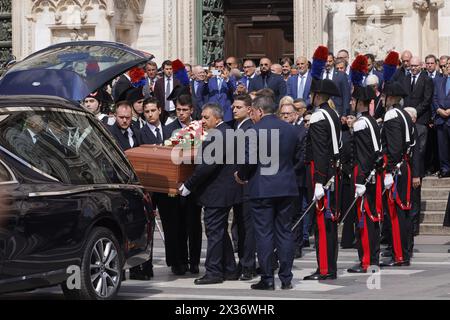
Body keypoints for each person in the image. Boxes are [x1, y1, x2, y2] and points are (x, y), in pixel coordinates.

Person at [235, 94, 299, 290]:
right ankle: (286, 278)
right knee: (285, 232)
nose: (252, 115)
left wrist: (241, 175)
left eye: (253, 112)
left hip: (262, 188)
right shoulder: (290, 129)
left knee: (264, 233)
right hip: (286, 186)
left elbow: (249, 160)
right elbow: (297, 156)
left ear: (260, 111)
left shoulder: (254, 131)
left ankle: (268, 278)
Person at [179, 103, 241, 285]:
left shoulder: (218, 135)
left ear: (218, 118)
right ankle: (229, 269)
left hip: (216, 192)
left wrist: (188, 185)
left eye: (206, 117)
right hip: (224, 191)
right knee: (220, 230)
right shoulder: (227, 132)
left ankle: (213, 272)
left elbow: (207, 166)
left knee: (214, 231)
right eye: (202, 117)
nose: (202, 121)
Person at [303, 77, 342, 281]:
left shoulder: (318, 116)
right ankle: (328, 266)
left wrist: (318, 180)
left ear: (317, 96)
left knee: (322, 223)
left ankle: (326, 268)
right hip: (332, 170)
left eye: (312, 94)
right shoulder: (332, 113)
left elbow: (319, 150)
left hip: (321, 172)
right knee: (328, 224)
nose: (310, 97)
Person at [347, 85, 384, 273]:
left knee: (366, 219)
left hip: (365, 175)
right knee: (372, 219)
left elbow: (363, 155)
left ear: (360, 103)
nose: (351, 102)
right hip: (373, 174)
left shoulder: (361, 123)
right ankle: (371, 258)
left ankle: (367, 261)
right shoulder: (370, 121)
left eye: (354, 100)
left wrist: (360, 180)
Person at [380, 81, 415, 267]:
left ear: (391, 98)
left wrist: (389, 170)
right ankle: (404, 251)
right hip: (405, 166)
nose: (383, 100)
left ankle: (399, 255)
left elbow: (393, 147)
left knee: (396, 213)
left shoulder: (392, 115)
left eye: (385, 96)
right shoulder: (405, 114)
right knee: (404, 213)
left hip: (395, 168)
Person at [230, 94, 257, 281]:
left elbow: (249, 157)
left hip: (246, 185)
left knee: (247, 228)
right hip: (237, 186)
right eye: (233, 106)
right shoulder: (237, 127)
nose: (234, 109)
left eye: (238, 107)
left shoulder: (249, 129)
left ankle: (248, 265)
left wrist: (241, 175)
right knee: (239, 226)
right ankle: (243, 263)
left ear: (249, 109)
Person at [432, 60, 450, 178]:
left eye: (448, 66)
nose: (446, 68)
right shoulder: (438, 81)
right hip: (440, 118)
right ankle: (445, 168)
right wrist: (438, 110)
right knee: (442, 146)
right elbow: (433, 97)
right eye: (444, 66)